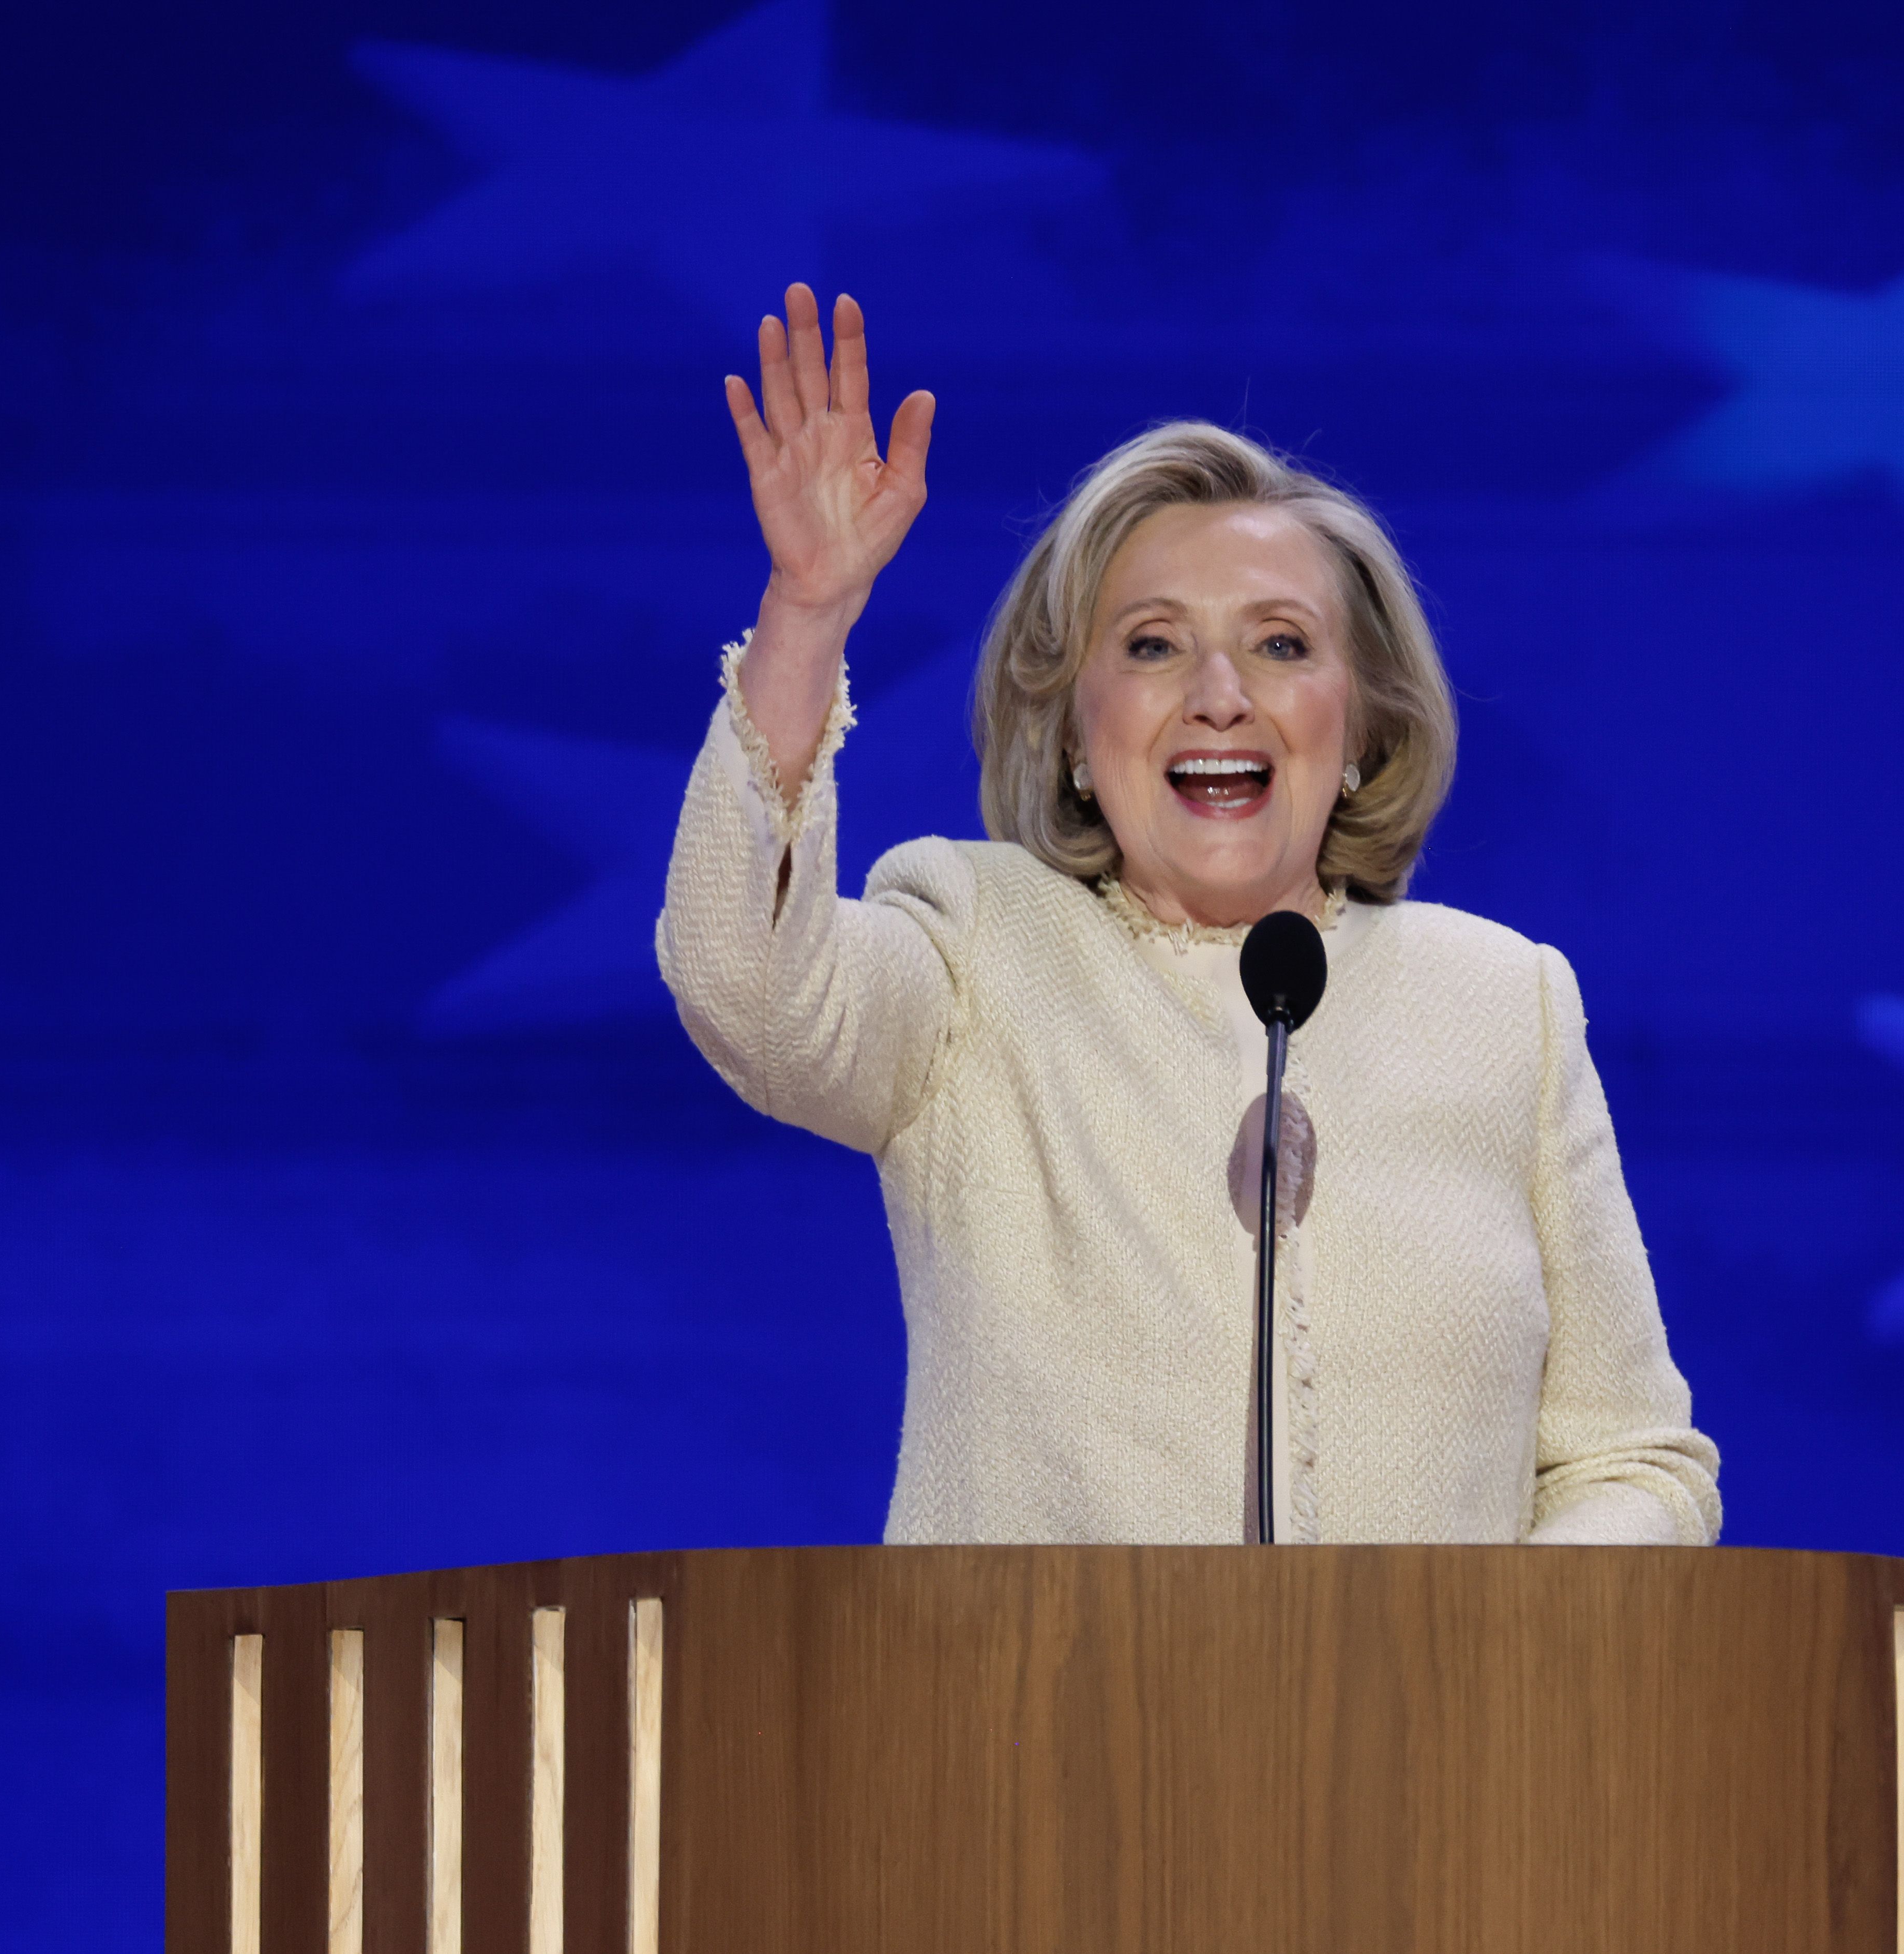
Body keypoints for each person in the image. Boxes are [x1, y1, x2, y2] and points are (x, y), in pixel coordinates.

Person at [658, 285, 1719, 1547]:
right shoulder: (974, 945)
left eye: (1281, 645)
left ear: (1362, 722)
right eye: (1153, 646)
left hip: (1450, 1688)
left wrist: (1494, 1640)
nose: (1220, 693)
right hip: (1029, 1685)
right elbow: (747, 990)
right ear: (1070, 729)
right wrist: (807, 617)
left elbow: (1633, 1463)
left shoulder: (1503, 1006)